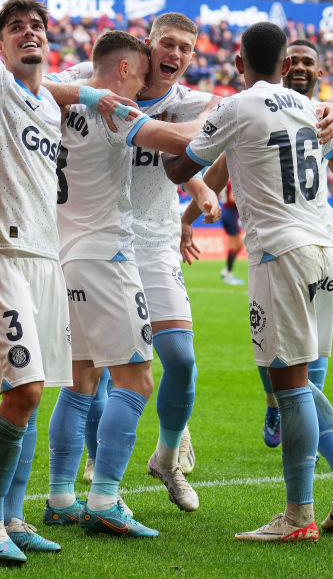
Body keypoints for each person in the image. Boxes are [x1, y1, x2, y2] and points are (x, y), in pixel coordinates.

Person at [0, 0, 126, 566]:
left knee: (38, 391)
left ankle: (14, 516)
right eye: (17, 27)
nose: (30, 32)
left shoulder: (49, 103)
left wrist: (93, 95)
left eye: (39, 27)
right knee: (22, 391)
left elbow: (58, 91)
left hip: (44, 259)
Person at [164, 21, 333, 543]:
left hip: (280, 254)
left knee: (289, 385)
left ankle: (299, 515)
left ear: (239, 63)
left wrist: (149, 128)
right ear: (285, 66)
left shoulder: (237, 107)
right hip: (320, 252)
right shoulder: (309, 108)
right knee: (299, 380)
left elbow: (177, 169)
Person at [43, 30, 212, 537]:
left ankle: (60, 497)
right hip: (108, 252)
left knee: (79, 381)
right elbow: (178, 142)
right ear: (123, 69)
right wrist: (219, 114)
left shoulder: (68, 100)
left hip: (66, 249)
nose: (141, 87)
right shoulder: (117, 109)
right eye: (138, 75)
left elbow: (22, 84)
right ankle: (105, 497)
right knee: (136, 379)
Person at [219, 181, 245, 285]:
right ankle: (228, 274)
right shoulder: (234, 181)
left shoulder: (226, 182)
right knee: (237, 245)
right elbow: (232, 199)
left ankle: (227, 271)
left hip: (226, 212)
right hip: (231, 214)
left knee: (235, 246)